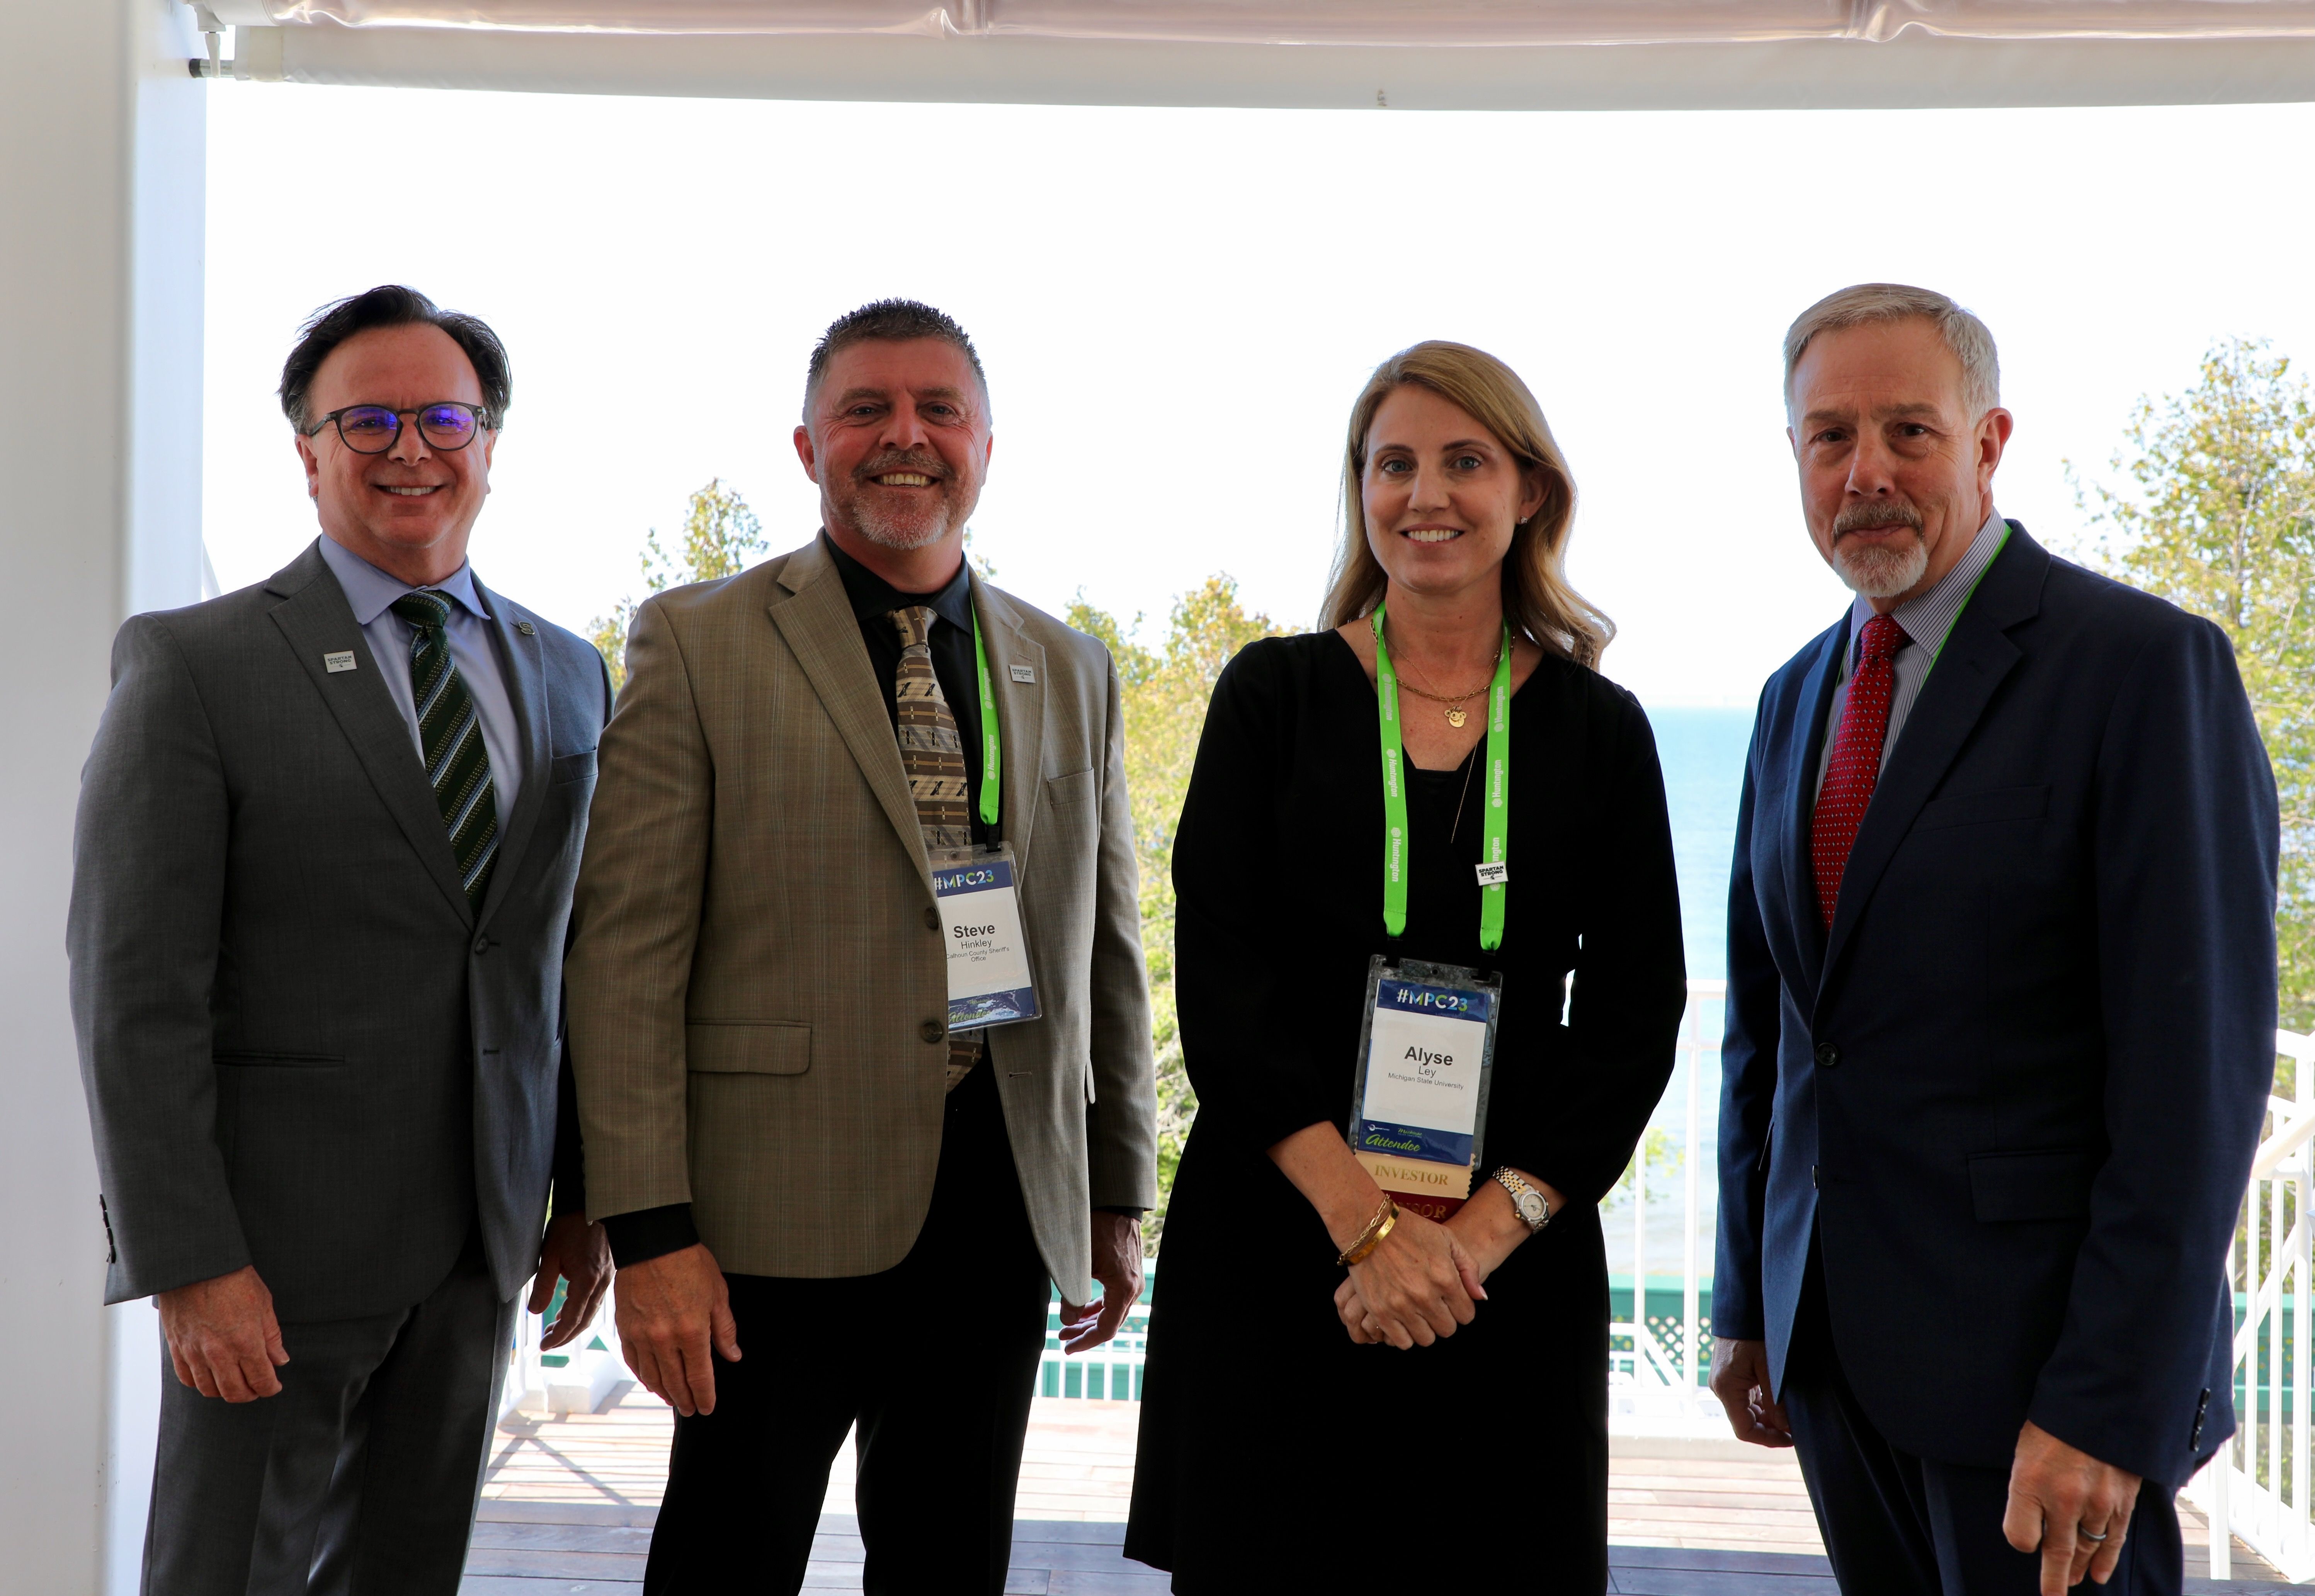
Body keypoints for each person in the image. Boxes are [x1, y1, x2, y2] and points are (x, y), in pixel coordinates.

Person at [564, 298, 1158, 1596]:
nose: (907, 437)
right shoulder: (699, 637)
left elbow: (1106, 948)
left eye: (939, 409)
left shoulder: (1071, 666)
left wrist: (1115, 1192)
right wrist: (650, 1230)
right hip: (761, 1224)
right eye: (867, 410)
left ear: (988, 445)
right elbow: (624, 958)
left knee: (950, 1568)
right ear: (807, 445)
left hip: (999, 1210)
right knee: (727, 1563)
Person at [1708, 284, 2279, 1596]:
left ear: (1990, 441)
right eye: (1829, 436)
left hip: (2048, 1394)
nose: (1867, 472)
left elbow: (2193, 1087)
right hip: (1838, 1365)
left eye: (1910, 430)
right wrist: (1750, 1294)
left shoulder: (2143, 669)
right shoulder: (1796, 696)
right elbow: (1777, 1029)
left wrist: (2107, 1402)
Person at [70, 284, 613, 1595]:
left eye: (444, 416)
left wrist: (589, 1194)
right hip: (272, 1249)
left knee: (408, 1571)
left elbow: (569, 961)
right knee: (229, 1572)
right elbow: (135, 991)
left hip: (484, 1237)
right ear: (307, 449)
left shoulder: (569, 671)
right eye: (366, 419)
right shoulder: (195, 665)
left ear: (489, 444)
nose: (411, 447)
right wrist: (190, 1261)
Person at [1125, 340, 1687, 1591]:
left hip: (1502, 1279)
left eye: (1464, 462)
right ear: (1360, 491)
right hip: (1281, 1253)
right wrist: (1369, 1230)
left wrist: (1466, 1246)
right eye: (1394, 465)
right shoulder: (1270, 695)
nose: (1425, 495)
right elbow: (1223, 989)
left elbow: (1636, 1020)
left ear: (1530, 490)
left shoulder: (1603, 732)